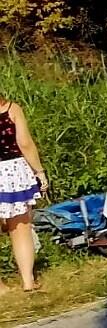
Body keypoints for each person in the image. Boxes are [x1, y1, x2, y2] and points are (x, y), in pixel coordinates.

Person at [0, 96, 47, 292]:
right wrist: (39, 172)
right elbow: (25, 143)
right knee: (20, 228)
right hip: (12, 174)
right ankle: (28, 282)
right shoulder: (11, 109)